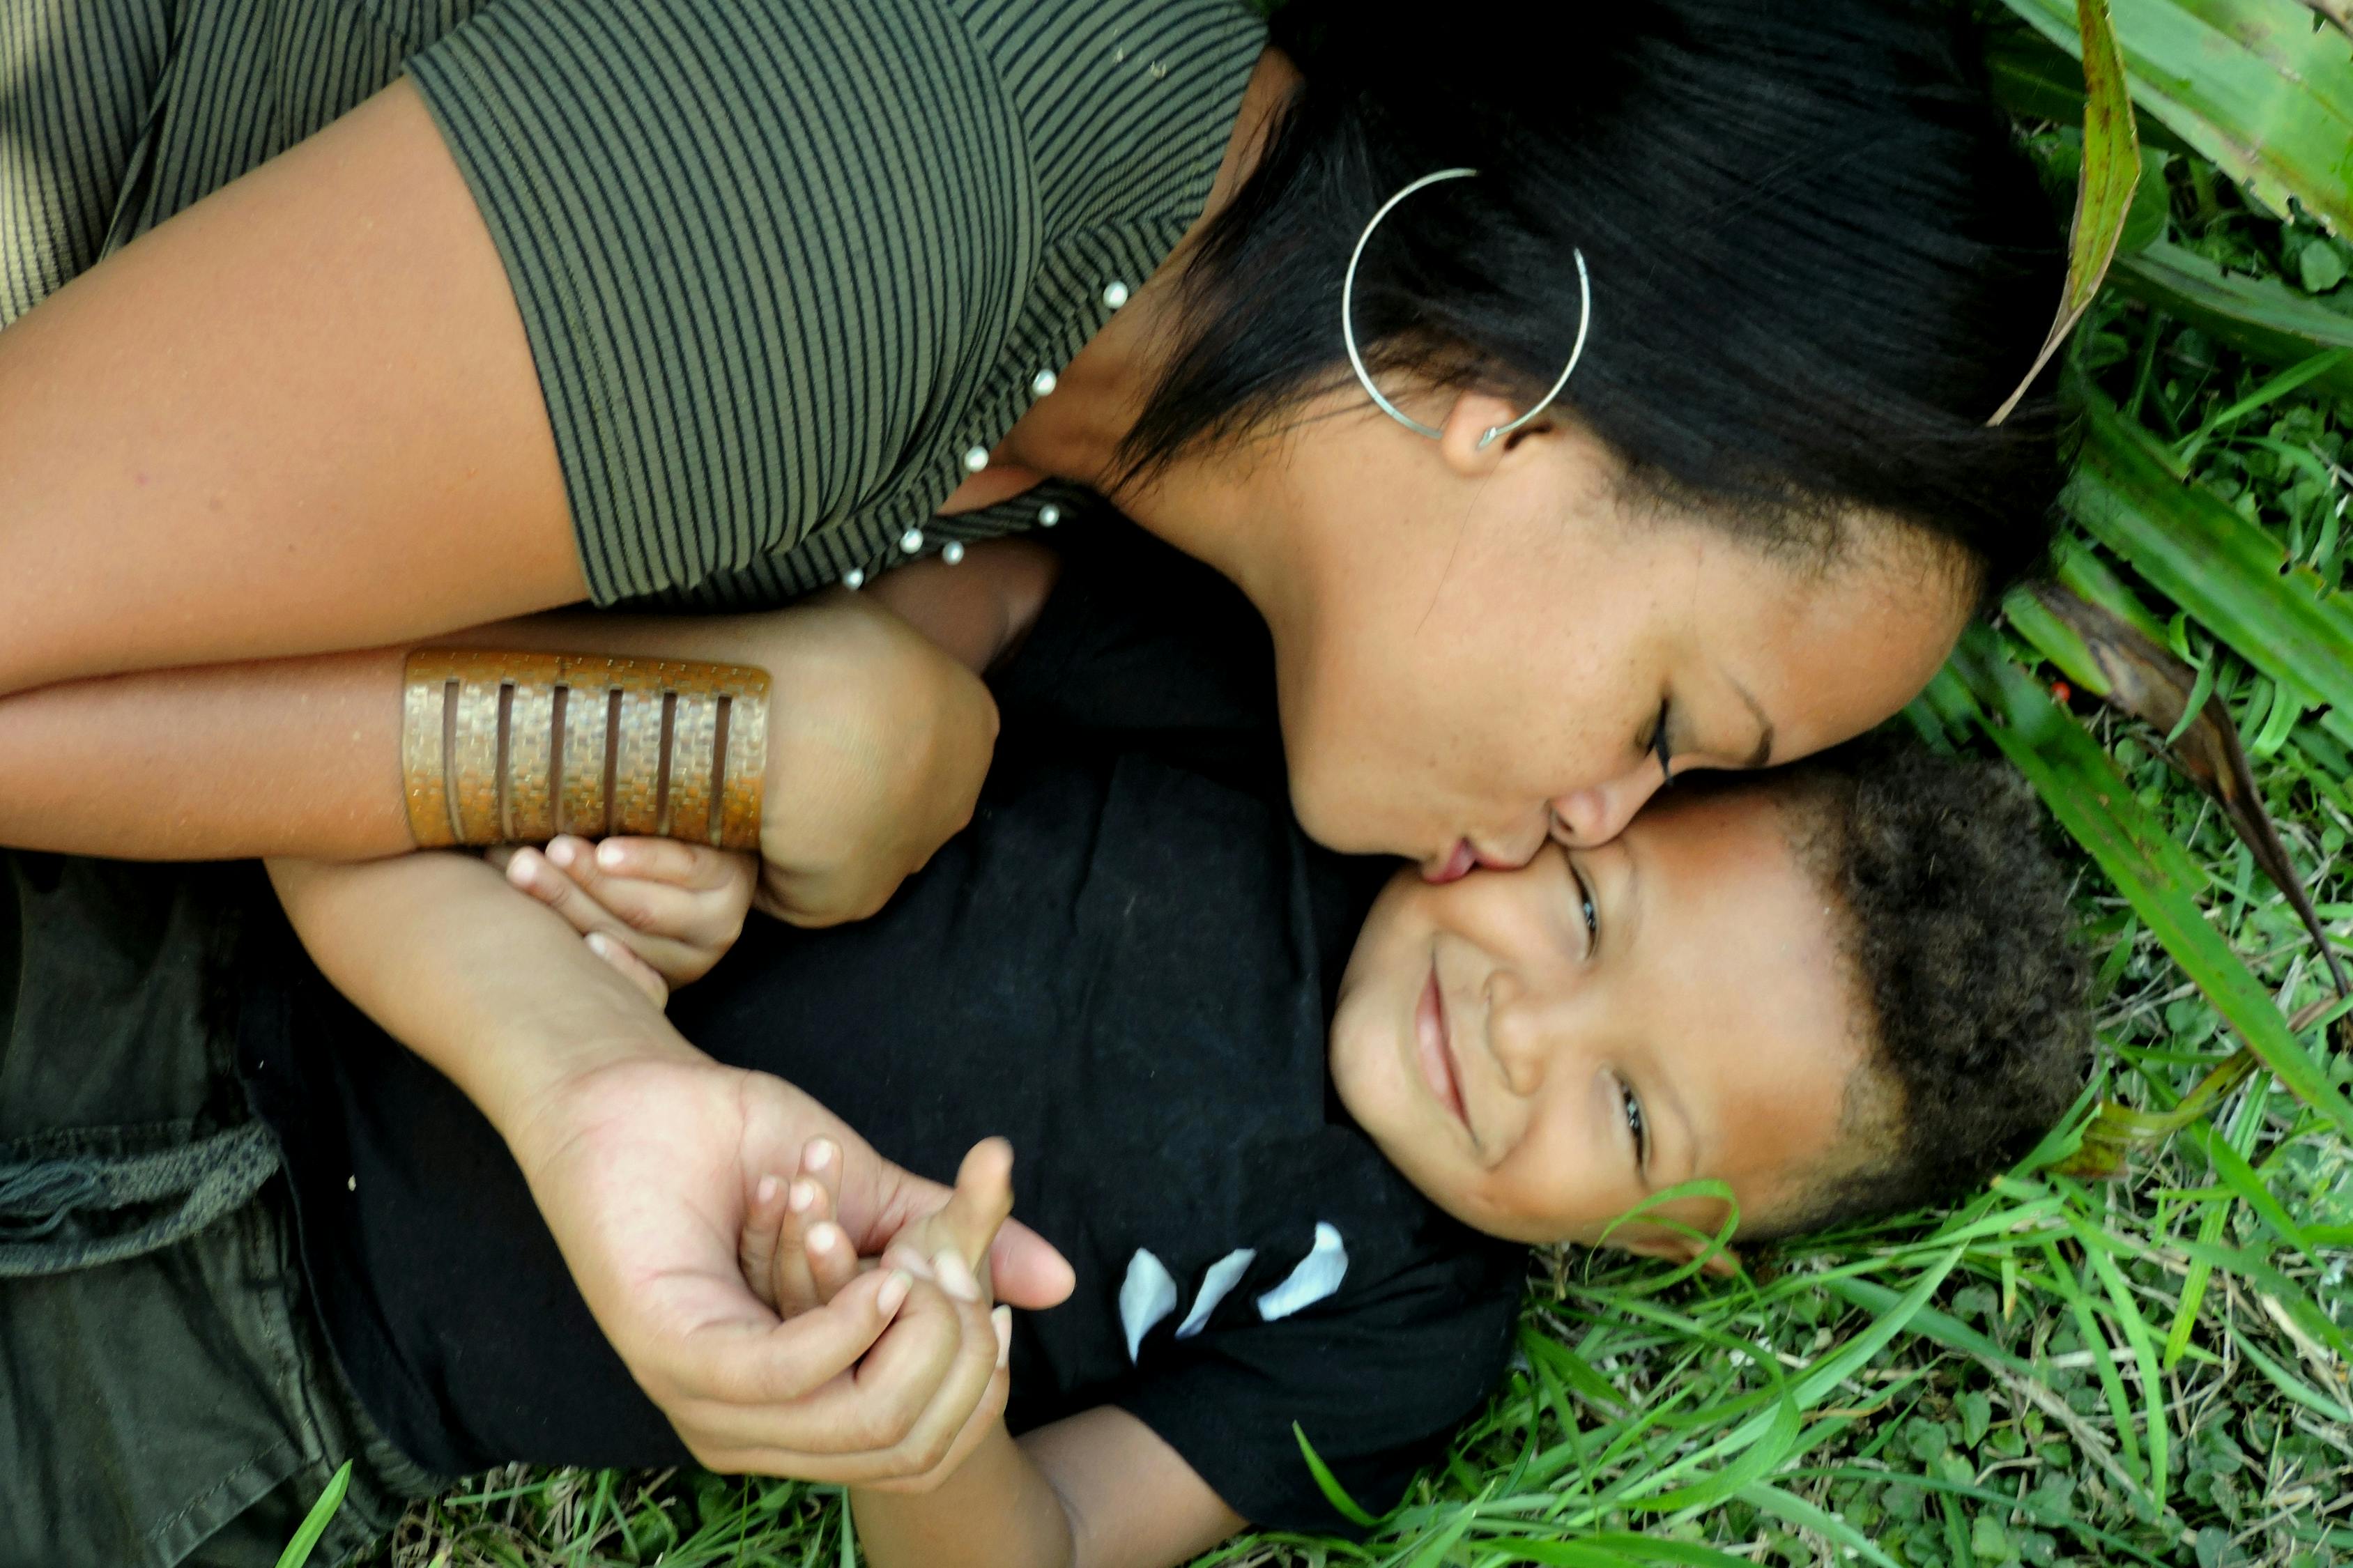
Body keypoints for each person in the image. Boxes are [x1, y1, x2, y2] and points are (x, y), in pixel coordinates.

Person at [1, 0, 2069, 1480]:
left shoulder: (1086, 433)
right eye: (1671, 727)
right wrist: (693, 744)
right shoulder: (913, 184)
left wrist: (630, 951)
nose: (1594, 817)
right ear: (1519, 400)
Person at [1, 537, 2092, 1567]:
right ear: (1574, 818)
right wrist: (708, 809)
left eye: (1633, 1114)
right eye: (1583, 915)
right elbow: (937, 634)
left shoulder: (1408, 1331)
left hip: (292, 1379)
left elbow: (1056, 1548)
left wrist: (931, 1443)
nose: (1520, 1028)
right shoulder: (1271, 745)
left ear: (1681, 1249)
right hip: (226, 946)